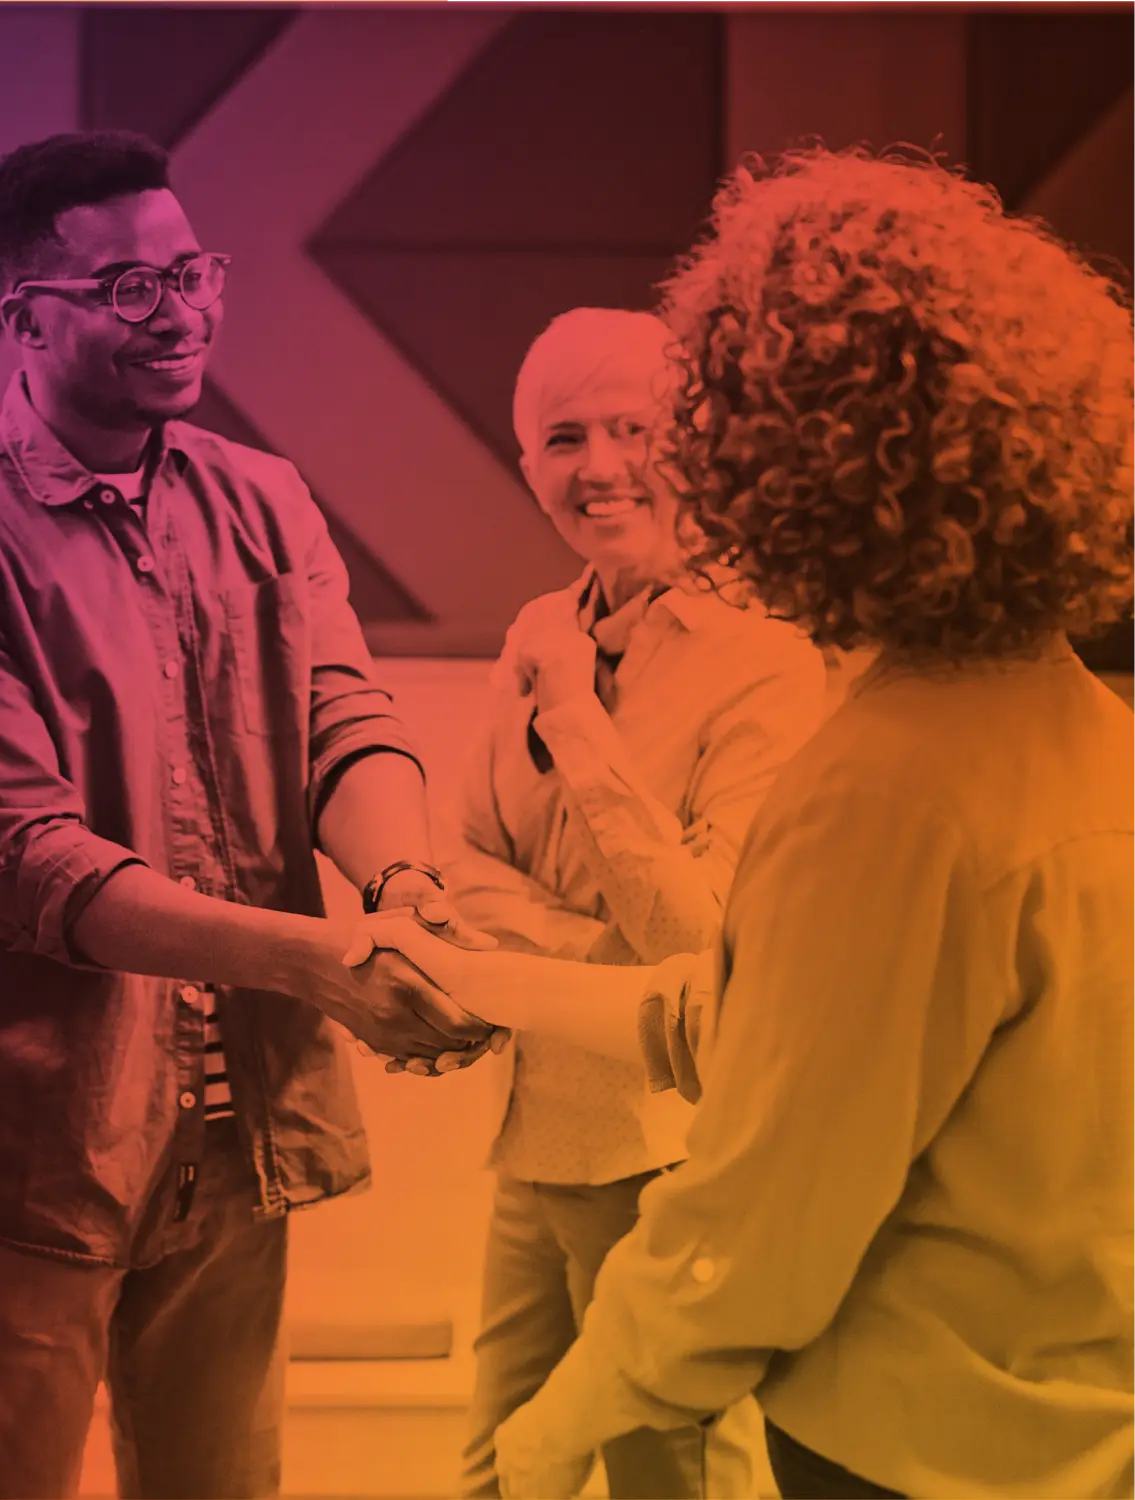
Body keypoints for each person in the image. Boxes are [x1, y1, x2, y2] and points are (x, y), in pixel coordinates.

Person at [377, 148, 1135, 1499]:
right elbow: (725, 1018)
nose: (624, 468)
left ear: (775, 459)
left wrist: (547, 1445)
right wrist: (467, 971)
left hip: (910, 1446)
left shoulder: (884, 786)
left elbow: (757, 1226)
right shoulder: (1082, 733)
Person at [0, 128, 495, 1500]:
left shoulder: (258, 500)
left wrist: (400, 895)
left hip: (232, 1125)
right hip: (32, 1136)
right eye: (130, 290)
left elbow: (343, 724)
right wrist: (322, 962)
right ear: (26, 316)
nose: (180, 314)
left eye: (191, 275)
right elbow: (32, 866)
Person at [443, 307, 825, 1497]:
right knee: (499, 1470)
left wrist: (570, 714)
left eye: (632, 429)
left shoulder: (765, 659)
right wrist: (582, 954)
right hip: (539, 1131)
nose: (598, 467)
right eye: (563, 438)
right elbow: (458, 865)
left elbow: (695, 938)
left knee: (668, 1474)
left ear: (697, 445)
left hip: (668, 1150)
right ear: (525, 467)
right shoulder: (540, 630)